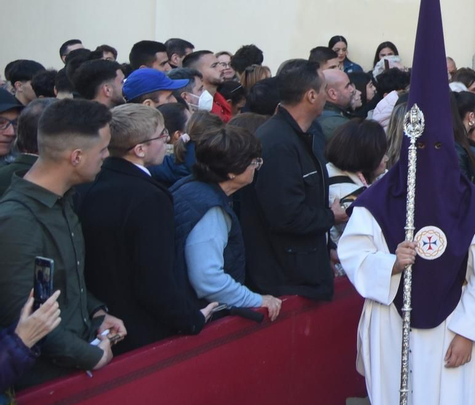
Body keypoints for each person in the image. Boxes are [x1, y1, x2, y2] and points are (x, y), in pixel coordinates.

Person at [339, 0, 475, 405]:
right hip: (393, 329)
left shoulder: (470, 201)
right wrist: (392, 263)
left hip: (452, 330)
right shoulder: (382, 198)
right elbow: (354, 253)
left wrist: (470, 332)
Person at [0, 99, 127, 386]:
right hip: (44, 385)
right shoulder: (17, 220)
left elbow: (63, 281)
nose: (106, 156)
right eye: (103, 149)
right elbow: (24, 317)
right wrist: (90, 356)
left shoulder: (63, 199)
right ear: (77, 157)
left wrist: (96, 312)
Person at [75, 105, 214, 350]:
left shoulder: (88, 182)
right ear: (139, 149)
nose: (167, 139)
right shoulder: (148, 197)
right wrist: (191, 319)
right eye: (162, 135)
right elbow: (154, 279)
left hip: (100, 319)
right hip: (142, 331)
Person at [235, 59, 337, 300]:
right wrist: (332, 217)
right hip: (286, 280)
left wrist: (327, 247)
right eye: (323, 90)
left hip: (306, 268)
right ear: (311, 95)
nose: (327, 96)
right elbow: (286, 216)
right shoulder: (276, 143)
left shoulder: (309, 133)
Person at [173, 120, 282, 320]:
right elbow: (207, 278)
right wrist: (257, 300)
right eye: (254, 162)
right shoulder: (211, 211)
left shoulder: (190, 186)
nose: (257, 167)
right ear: (232, 171)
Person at [325, 119, 388, 239]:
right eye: (381, 155)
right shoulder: (349, 197)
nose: (386, 158)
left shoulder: (331, 170)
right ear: (367, 156)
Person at [319, 65, 356, 136]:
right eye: (347, 86)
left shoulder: (327, 114)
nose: (352, 89)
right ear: (333, 94)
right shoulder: (335, 123)